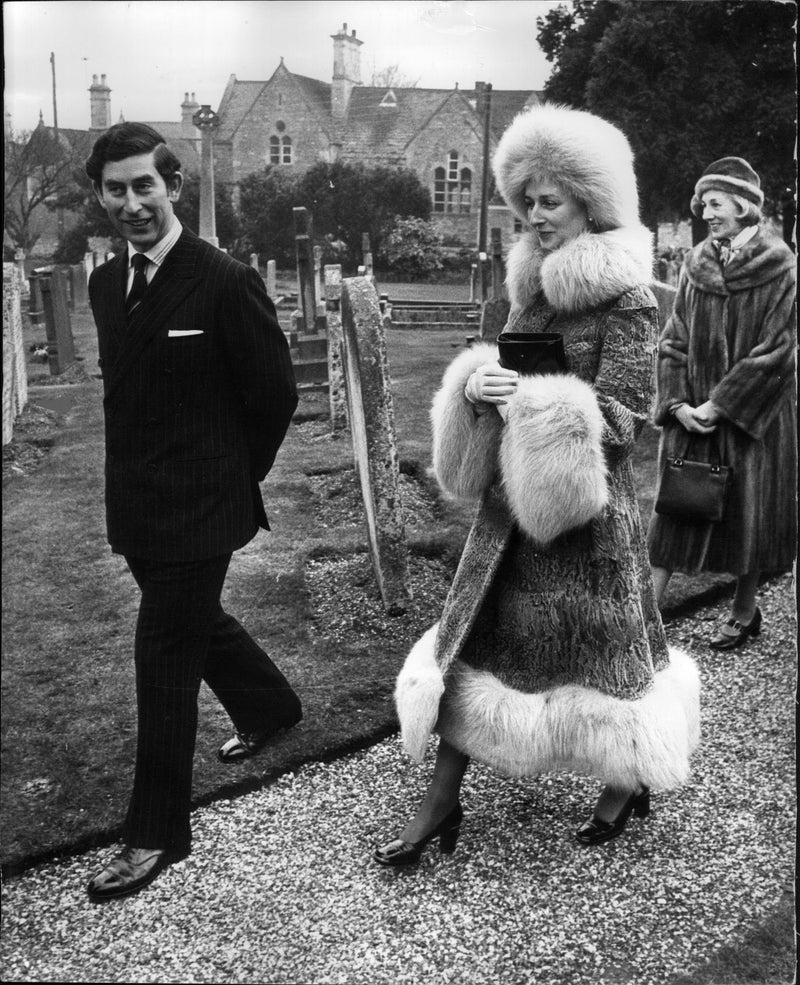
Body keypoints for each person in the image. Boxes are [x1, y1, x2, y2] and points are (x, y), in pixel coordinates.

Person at [375, 105, 700, 866]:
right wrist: (477, 386)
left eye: (549, 199)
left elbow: (625, 419)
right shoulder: (529, 286)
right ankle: (440, 800)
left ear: (592, 201)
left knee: (607, 657)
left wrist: (534, 403)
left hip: (588, 522)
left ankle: (625, 779)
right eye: (526, 198)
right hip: (510, 519)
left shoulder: (629, 297)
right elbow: (505, 369)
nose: (533, 213)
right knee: (475, 644)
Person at [84, 123, 302, 901]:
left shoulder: (223, 279)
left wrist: (234, 481)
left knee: (163, 657)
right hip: (137, 504)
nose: (133, 202)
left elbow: (276, 395)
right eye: (117, 189)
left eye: (146, 184)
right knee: (194, 620)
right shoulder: (106, 285)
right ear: (101, 195)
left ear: (173, 185)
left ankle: (154, 833)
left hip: (202, 506)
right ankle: (272, 705)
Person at [648, 157, 797, 649]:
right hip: (692, 414)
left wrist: (723, 404)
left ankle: (744, 610)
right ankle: (643, 624)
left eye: (714, 203)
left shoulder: (780, 266)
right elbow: (673, 340)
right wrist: (677, 405)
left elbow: (779, 348)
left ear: (743, 206)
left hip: (754, 415)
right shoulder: (696, 264)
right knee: (674, 514)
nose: (706, 213)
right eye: (703, 205)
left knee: (748, 518)